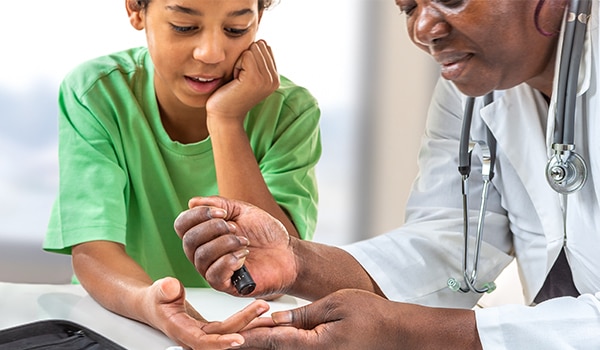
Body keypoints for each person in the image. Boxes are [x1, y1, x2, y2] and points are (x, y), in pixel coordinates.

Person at [173, 0, 600, 348]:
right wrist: (298, 263)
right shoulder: (469, 92)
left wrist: (411, 333)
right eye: (408, 7)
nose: (424, 28)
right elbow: (450, 240)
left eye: (451, 0)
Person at [43, 0, 321, 348]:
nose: (211, 53)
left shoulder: (290, 112)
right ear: (136, 10)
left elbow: (276, 264)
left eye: (235, 29)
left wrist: (225, 120)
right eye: (184, 27)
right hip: (121, 319)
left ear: (259, 19)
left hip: (245, 330)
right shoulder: (97, 93)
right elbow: (93, 250)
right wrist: (151, 304)